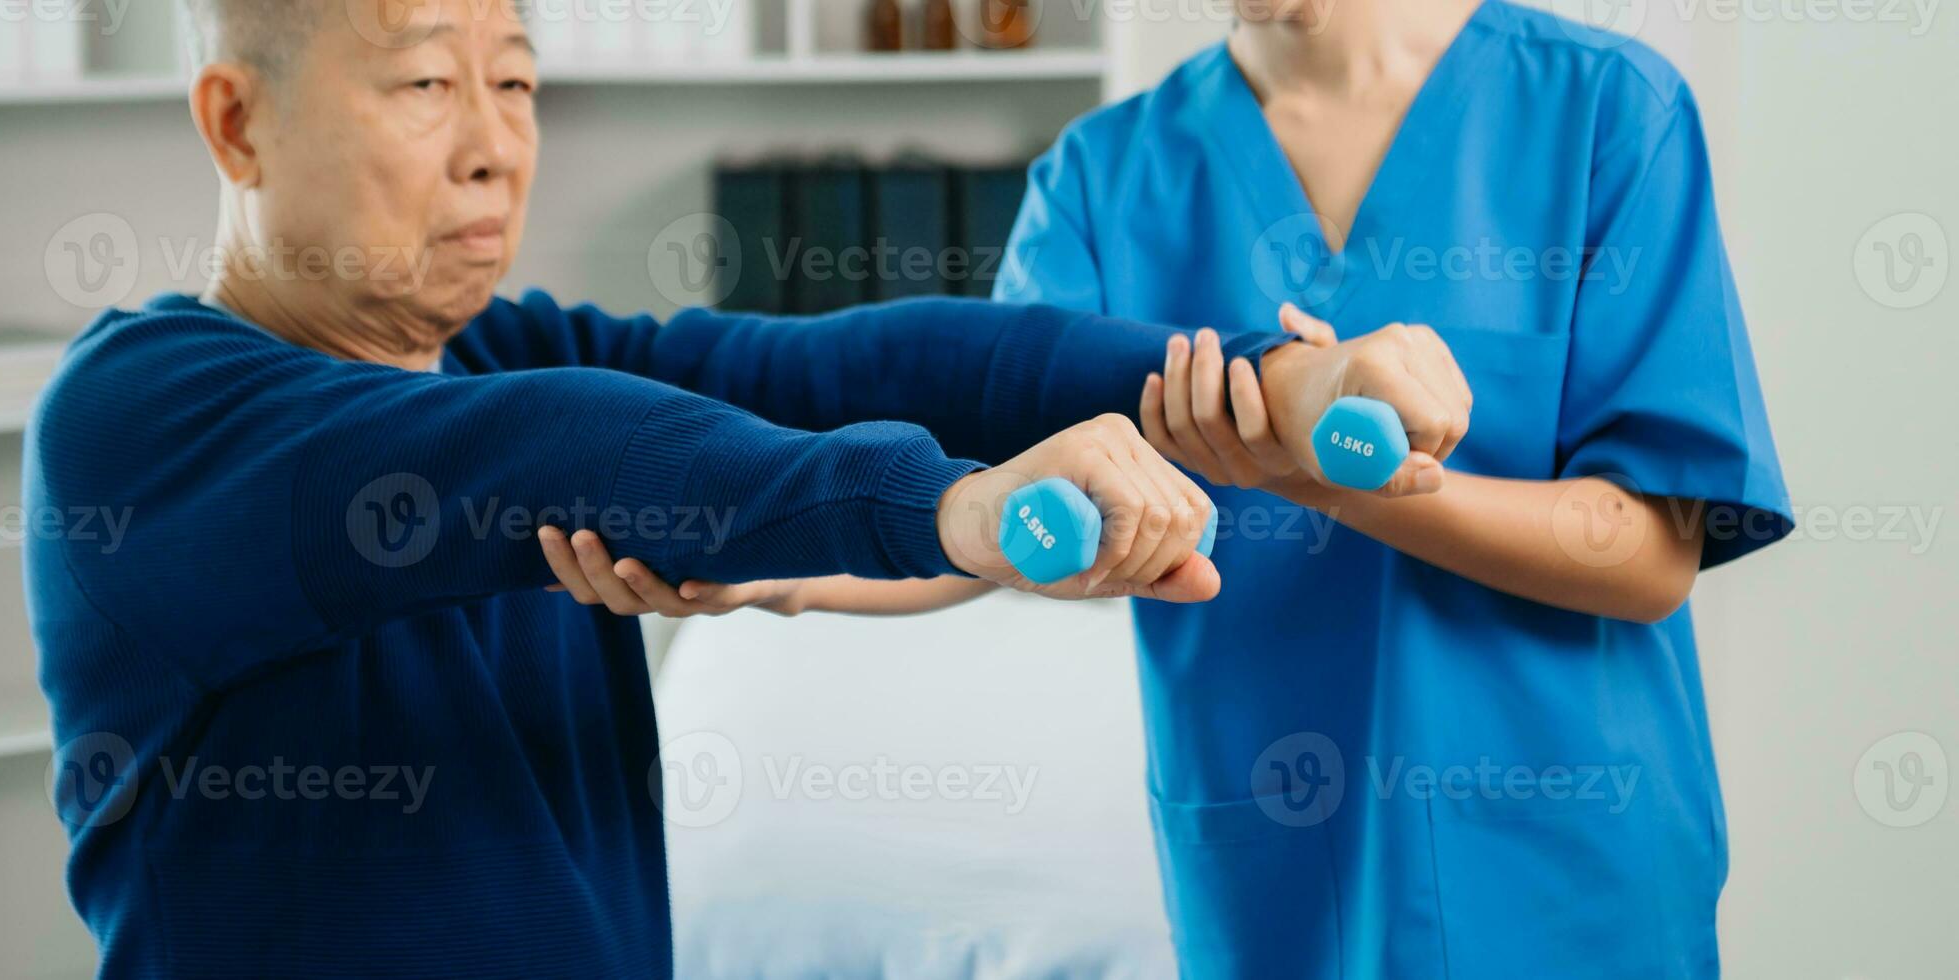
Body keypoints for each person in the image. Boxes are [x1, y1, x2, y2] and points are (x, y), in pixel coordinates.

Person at [24, 1, 1472, 976]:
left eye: (516, 81)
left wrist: (1239, 388)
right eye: (422, 84)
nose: (493, 142)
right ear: (235, 124)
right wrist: (952, 514)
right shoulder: (144, 418)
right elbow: (562, 448)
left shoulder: (479, 351)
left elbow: (852, 363)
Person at [582, 0, 1796, 976]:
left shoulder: (1601, 113)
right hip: (1271, 868)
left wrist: (1332, 485)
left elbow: (1644, 555)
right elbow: (1016, 521)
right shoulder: (1105, 179)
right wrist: (792, 569)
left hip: (1564, 871)